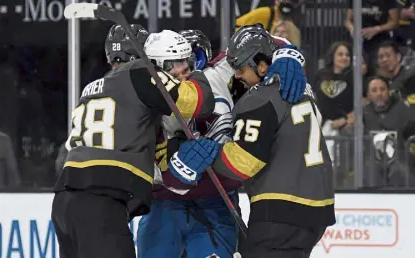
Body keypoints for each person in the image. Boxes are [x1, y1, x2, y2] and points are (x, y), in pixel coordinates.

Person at [167, 24, 336, 258]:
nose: (237, 75)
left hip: (280, 209)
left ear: (262, 65)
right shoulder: (301, 88)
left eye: (241, 68)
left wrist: (210, 153)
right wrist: (291, 54)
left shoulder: (259, 98)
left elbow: (242, 163)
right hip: (317, 208)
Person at [51, 25, 216, 258]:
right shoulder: (141, 73)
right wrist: (197, 71)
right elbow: (201, 103)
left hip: (65, 200)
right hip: (102, 201)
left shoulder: (93, 87)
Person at [137, 29, 240, 258]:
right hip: (163, 203)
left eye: (189, 60)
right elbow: (137, 157)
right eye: (176, 62)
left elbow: (262, 42)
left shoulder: (222, 72)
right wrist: (172, 171)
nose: (185, 68)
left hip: (216, 198)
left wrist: (286, 57)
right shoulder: (144, 96)